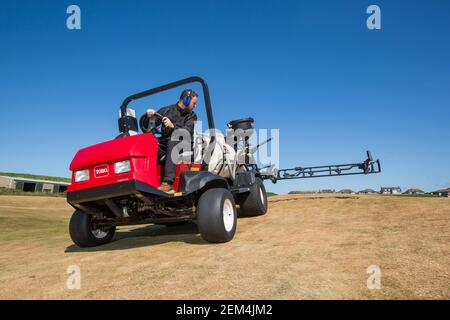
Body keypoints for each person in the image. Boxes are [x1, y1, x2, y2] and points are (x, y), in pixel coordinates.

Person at [146, 89, 198, 193]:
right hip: (165, 144)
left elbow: (187, 131)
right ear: (186, 100)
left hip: (183, 144)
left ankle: (168, 183)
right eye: (194, 103)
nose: (195, 106)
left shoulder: (192, 116)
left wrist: (173, 126)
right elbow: (151, 125)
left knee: (173, 141)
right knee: (148, 146)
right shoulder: (167, 110)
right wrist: (149, 117)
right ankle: (145, 180)